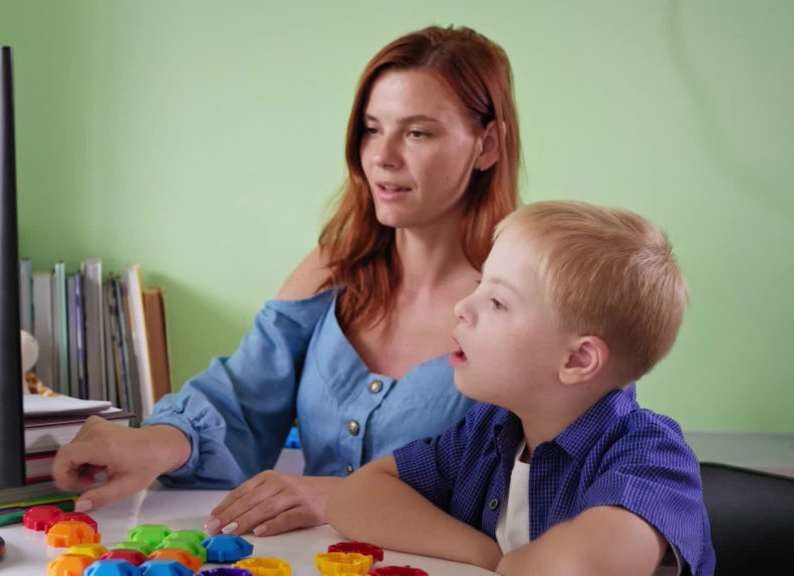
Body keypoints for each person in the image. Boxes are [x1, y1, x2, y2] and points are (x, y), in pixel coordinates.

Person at [51, 24, 521, 537]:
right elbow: (241, 396)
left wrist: (346, 498)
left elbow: (530, 491)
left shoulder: (524, 303)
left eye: (417, 133)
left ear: (487, 145)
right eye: (371, 128)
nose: (381, 156)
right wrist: (151, 443)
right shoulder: (333, 268)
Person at [326, 200, 715, 576]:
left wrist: (506, 565)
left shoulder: (653, 455)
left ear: (577, 361)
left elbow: (585, 567)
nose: (461, 307)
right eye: (478, 284)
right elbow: (355, 497)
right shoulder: (487, 429)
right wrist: (484, 555)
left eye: (497, 302)